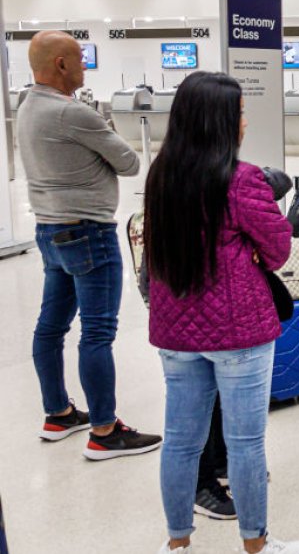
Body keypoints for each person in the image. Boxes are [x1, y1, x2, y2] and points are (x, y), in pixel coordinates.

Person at [145, 72, 299, 554]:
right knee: (245, 442)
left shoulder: (161, 176)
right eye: (237, 113)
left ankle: (177, 543)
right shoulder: (242, 180)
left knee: (180, 441)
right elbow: (277, 251)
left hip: (175, 332)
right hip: (239, 333)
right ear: (218, 122)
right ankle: (255, 544)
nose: (244, 121)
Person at [16, 31, 162, 458]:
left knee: (50, 326)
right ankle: (104, 430)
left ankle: (57, 413)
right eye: (80, 58)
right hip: (88, 232)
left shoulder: (28, 105)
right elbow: (130, 162)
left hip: (50, 230)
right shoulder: (71, 113)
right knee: (97, 332)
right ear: (60, 64)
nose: (85, 65)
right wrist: (104, 130)